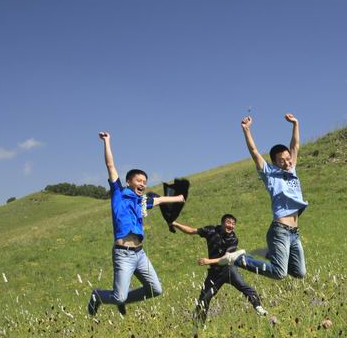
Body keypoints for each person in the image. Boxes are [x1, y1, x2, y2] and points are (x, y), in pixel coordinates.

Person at [88, 132, 185, 316]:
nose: (143, 184)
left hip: (140, 254)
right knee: (118, 296)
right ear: (128, 182)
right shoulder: (119, 193)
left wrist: (177, 198)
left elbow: (159, 200)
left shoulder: (142, 201)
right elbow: (110, 165)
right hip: (123, 254)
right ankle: (98, 296)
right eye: (139, 180)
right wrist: (107, 141)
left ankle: (122, 300)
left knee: (156, 290)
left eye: (145, 182)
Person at [224, 114, 307, 280]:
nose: (287, 162)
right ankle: (239, 259)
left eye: (288, 159)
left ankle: (272, 254)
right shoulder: (269, 174)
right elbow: (254, 152)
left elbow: (295, 145)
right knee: (280, 273)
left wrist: (295, 124)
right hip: (280, 231)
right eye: (282, 161)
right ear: (275, 163)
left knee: (300, 273)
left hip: (294, 232)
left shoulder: (292, 169)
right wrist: (246, 130)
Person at [170, 215, 268, 322]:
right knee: (204, 298)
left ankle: (258, 307)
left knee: (244, 286)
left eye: (233, 224)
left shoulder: (233, 239)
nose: (231, 226)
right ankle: (199, 325)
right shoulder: (210, 230)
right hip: (214, 273)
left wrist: (208, 261)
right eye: (228, 222)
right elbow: (192, 231)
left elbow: (225, 258)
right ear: (222, 223)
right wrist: (175, 224)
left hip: (228, 269)